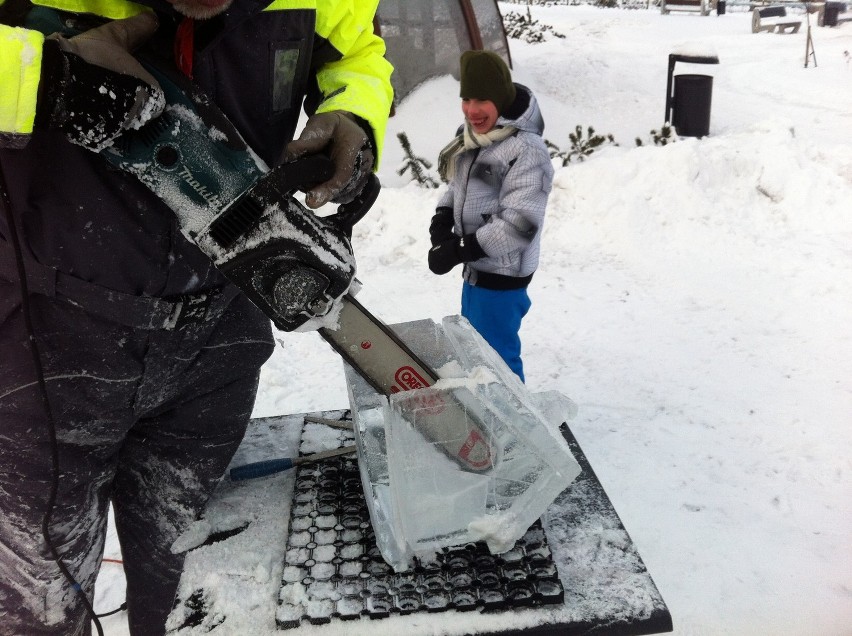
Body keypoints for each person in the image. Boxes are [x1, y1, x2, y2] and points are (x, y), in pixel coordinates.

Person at [0, 1, 392, 634]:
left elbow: (359, 55)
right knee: (35, 609)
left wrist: (354, 114)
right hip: (42, 339)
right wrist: (38, 81)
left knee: (201, 602)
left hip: (219, 337)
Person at [428, 50, 553, 383]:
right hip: (476, 272)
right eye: (466, 98)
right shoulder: (474, 137)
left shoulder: (527, 151)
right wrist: (442, 220)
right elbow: (460, 185)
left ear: (499, 99)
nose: (472, 109)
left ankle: (515, 430)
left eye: (482, 99)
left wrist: (458, 250)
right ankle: (485, 420)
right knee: (473, 355)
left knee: (496, 362)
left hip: (502, 277)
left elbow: (519, 226)